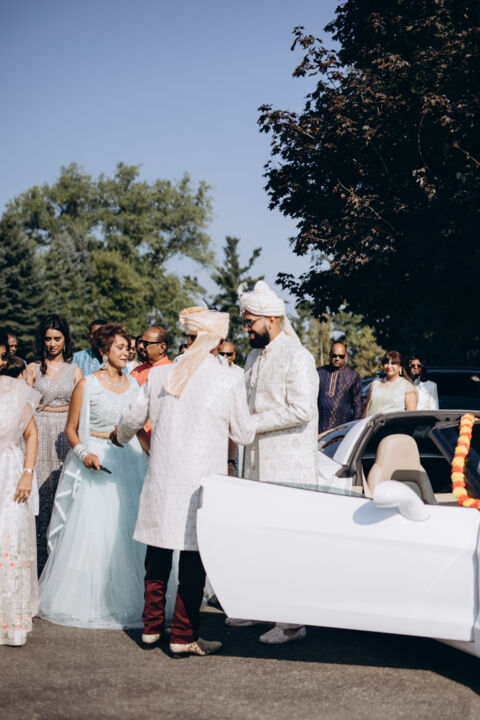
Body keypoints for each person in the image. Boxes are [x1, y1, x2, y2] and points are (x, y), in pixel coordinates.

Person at [112, 307, 256, 657]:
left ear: (189, 338)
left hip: (163, 480)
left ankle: (150, 629)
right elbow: (244, 434)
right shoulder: (227, 379)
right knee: (193, 561)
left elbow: (132, 418)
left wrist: (120, 437)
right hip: (200, 485)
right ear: (216, 341)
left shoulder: (161, 375)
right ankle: (182, 634)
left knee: (157, 556)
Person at [38, 324, 147, 629]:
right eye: (120, 347)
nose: (127, 352)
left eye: (128, 348)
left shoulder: (135, 385)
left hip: (131, 458)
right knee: (97, 530)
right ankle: (92, 599)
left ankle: (134, 601)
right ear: (103, 350)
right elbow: (71, 429)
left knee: (129, 530)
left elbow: (140, 428)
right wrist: (84, 453)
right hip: (96, 458)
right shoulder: (87, 384)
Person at [235, 280, 319, 645]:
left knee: (287, 545)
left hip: (288, 468)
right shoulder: (253, 357)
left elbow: (302, 410)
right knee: (258, 540)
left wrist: (252, 423)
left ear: (271, 319)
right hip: (255, 464)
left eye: (250, 322)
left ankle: (291, 622)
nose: (246, 330)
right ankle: (259, 608)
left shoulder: (298, 356)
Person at [26, 314, 82, 574]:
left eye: (57, 339)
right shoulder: (33, 369)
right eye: (47, 339)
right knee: (39, 495)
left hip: (64, 436)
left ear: (65, 340)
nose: (52, 344)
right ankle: (37, 561)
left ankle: (59, 562)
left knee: (62, 493)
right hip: (38, 433)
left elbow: (81, 406)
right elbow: (24, 406)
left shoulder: (75, 370)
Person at [0, 363, 40, 646]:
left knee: (10, 536)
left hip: (10, 473)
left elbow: (31, 433)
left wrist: (27, 473)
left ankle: (10, 622)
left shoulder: (13, 390)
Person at [317, 342, 363, 433]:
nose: (337, 359)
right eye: (334, 355)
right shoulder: (319, 373)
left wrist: (353, 429)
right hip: (319, 428)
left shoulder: (353, 376)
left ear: (345, 356)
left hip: (342, 430)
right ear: (329, 355)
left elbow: (358, 405)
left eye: (341, 356)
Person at [364, 351, 417, 416]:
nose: (389, 366)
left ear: (400, 367)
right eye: (386, 363)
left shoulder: (408, 387)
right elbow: (366, 410)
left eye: (393, 363)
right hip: (371, 422)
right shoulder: (375, 384)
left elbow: (411, 416)